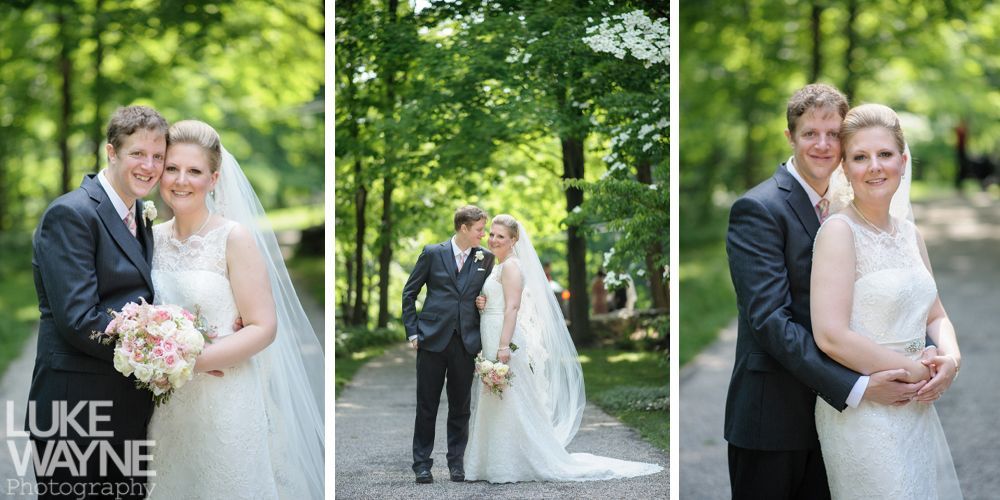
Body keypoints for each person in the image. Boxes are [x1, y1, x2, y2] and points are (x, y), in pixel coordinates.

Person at [723, 84, 939, 499]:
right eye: (809, 134)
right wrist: (854, 387)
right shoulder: (759, 209)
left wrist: (926, 352)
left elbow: (894, 295)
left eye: (831, 134)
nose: (821, 145)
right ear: (790, 137)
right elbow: (770, 321)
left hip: (851, 424)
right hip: (778, 416)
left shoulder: (857, 209)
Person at [146, 120, 324, 498]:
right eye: (172, 168)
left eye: (194, 171)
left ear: (213, 178)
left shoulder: (232, 237)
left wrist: (187, 362)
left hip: (224, 398)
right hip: (165, 404)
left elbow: (263, 326)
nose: (181, 180)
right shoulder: (150, 238)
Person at [811, 103, 961, 498]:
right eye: (860, 157)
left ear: (903, 160)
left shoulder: (911, 235)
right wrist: (913, 370)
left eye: (884, 154)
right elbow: (830, 335)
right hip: (868, 411)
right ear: (845, 168)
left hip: (916, 405)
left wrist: (950, 360)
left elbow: (936, 313)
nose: (874, 166)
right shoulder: (838, 233)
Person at [27, 105, 166, 499]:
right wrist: (159, 358)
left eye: (158, 156)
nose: (149, 166)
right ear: (111, 152)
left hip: (128, 411)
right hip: (75, 415)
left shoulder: (140, 213)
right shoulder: (71, 214)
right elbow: (79, 318)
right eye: (137, 154)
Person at [464, 214, 662, 482]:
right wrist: (483, 303)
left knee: (510, 396)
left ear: (514, 240)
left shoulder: (511, 267)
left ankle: (514, 461)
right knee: (497, 395)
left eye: (501, 236)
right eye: (492, 234)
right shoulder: (498, 266)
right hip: (491, 331)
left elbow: (513, 307)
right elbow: (500, 300)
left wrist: (502, 346)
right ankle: (492, 461)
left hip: (503, 336)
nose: (494, 239)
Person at [401, 205, 496, 484]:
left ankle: (456, 463)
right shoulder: (433, 253)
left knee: (460, 406)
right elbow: (409, 293)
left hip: (465, 342)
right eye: (480, 229)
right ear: (464, 228)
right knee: (426, 404)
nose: (484, 234)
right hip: (431, 339)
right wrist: (413, 332)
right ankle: (422, 464)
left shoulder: (486, 258)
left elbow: (489, 293)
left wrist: (484, 302)